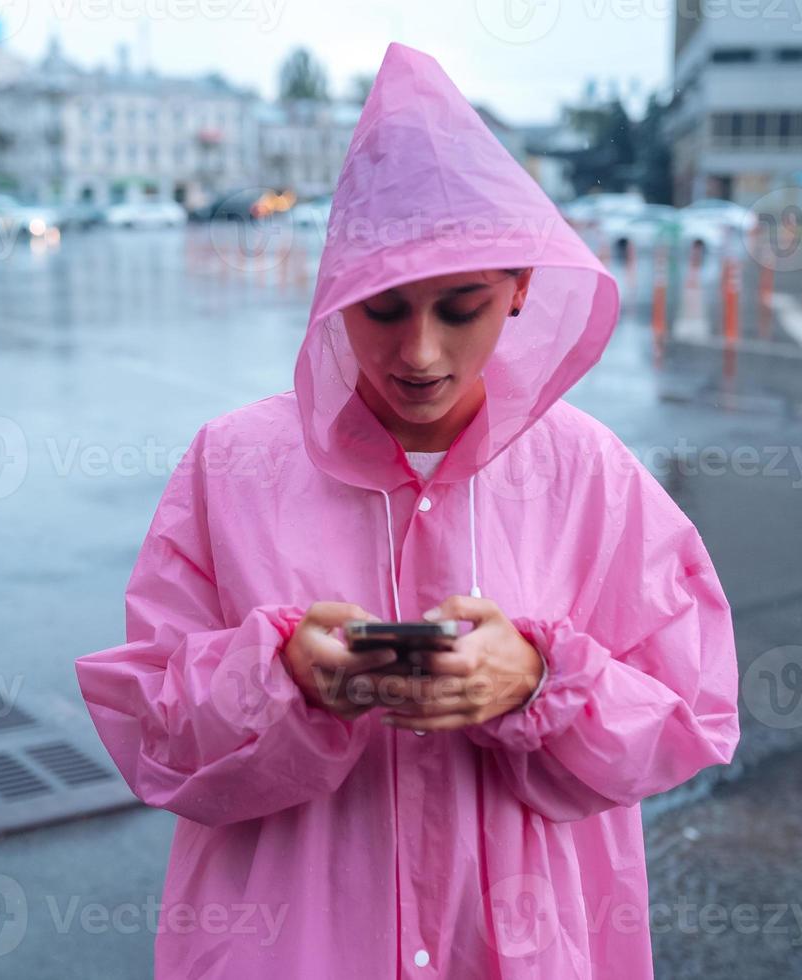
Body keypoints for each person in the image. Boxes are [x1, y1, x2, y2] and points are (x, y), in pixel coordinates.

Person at [75, 41, 740, 979]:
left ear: (517, 291)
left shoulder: (588, 474)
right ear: (333, 300)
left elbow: (690, 719)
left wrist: (541, 680)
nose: (419, 353)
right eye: (381, 310)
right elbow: (150, 728)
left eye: (459, 306)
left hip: (520, 943)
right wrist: (277, 679)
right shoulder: (233, 465)